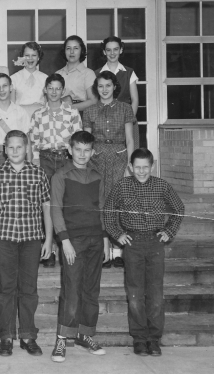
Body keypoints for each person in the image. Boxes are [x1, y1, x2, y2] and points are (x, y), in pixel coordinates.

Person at [104, 148, 184, 357]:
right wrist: (118, 234)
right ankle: (140, 338)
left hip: (155, 242)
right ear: (130, 167)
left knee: (155, 294)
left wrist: (169, 231)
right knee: (135, 294)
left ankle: (154, 339)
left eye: (145, 167)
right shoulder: (121, 186)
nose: (141, 171)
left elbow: (178, 208)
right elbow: (108, 212)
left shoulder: (161, 185)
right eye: (137, 167)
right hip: (133, 244)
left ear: (152, 166)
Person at [0, 130, 52, 358]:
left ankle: (28, 336)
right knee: (6, 289)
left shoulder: (38, 174)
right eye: (10, 148)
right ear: (4, 149)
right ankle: (6, 337)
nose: (14, 152)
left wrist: (49, 239)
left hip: (32, 239)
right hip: (4, 238)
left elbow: (46, 208)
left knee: (29, 289)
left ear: (26, 149)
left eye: (19, 147)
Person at [50, 131, 109, 363]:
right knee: (71, 290)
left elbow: (102, 208)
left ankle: (86, 335)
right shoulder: (61, 175)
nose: (82, 154)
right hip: (73, 240)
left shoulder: (97, 175)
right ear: (70, 150)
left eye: (87, 150)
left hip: (95, 239)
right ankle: (62, 339)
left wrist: (105, 239)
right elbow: (55, 209)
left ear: (92, 151)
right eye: (78, 149)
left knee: (91, 291)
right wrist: (64, 241)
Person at [95, 35, 141, 268]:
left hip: (123, 132)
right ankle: (107, 250)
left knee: (121, 197)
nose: (112, 53)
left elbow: (134, 100)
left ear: (121, 50)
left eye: (116, 49)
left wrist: (125, 118)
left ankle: (120, 249)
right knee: (103, 199)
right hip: (103, 139)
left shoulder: (128, 71)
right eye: (108, 50)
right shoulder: (97, 73)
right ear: (104, 51)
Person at [27, 73, 82, 267]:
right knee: (47, 203)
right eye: (50, 88)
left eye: (58, 88)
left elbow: (77, 142)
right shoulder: (38, 114)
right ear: (45, 90)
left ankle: (66, 247)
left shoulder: (72, 113)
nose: (54, 92)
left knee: (66, 201)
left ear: (63, 91)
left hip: (65, 159)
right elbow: (32, 142)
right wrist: (34, 163)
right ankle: (48, 248)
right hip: (46, 158)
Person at [84, 71, 136, 268]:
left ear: (115, 87)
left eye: (108, 85)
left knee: (118, 200)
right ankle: (103, 249)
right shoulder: (89, 111)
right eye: (100, 86)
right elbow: (87, 141)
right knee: (99, 201)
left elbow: (130, 139)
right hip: (96, 159)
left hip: (119, 157)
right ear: (96, 89)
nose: (104, 90)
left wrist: (129, 165)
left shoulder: (125, 109)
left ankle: (118, 250)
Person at [0, 73, 31, 170]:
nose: (2, 90)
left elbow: (27, 138)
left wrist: (29, 161)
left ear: (11, 87)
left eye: (5, 86)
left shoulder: (20, 111)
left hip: (19, 154)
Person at [56, 35, 97, 113]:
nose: (72, 52)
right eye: (68, 48)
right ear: (64, 51)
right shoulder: (58, 74)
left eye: (76, 48)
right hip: (59, 116)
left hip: (81, 115)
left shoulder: (88, 73)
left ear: (81, 51)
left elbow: (93, 101)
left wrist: (69, 108)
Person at [11, 41, 48, 118]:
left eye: (34, 55)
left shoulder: (45, 78)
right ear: (22, 57)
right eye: (27, 55)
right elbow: (12, 105)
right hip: (20, 117)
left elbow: (47, 103)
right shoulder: (14, 78)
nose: (30, 58)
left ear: (38, 57)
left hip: (41, 117)